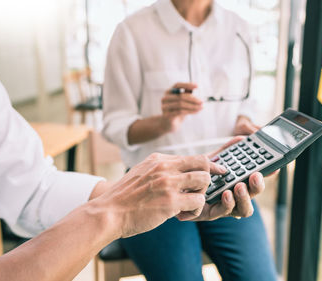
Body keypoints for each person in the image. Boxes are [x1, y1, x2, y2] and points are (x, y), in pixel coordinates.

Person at [0, 1, 267, 280]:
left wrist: (138, 194)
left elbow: (35, 186)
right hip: (148, 185)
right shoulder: (133, 31)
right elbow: (115, 126)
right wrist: (120, 206)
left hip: (211, 183)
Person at [102, 0, 277, 280]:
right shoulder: (132, 32)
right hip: (154, 187)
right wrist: (163, 122)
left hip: (226, 181)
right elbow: (114, 125)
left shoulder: (239, 29)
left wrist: (243, 122)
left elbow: (246, 102)